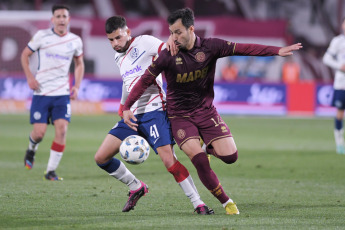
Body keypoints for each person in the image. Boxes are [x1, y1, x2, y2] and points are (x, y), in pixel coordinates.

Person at [122, 8, 302, 215]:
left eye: (178, 32)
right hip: (179, 116)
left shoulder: (211, 47)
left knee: (231, 157)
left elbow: (243, 48)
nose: (174, 37)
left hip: (206, 112)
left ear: (191, 28)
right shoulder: (167, 55)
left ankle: (207, 149)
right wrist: (127, 106)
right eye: (171, 32)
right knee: (197, 160)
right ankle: (227, 202)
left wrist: (276, 50)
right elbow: (145, 79)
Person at [94, 16, 213, 214]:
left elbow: (168, 51)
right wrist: (124, 106)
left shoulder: (145, 42)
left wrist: (171, 43)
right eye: (111, 40)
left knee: (169, 160)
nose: (115, 43)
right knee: (101, 158)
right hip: (132, 116)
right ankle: (136, 186)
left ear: (128, 32)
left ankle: (198, 203)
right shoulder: (118, 56)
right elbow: (128, 81)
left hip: (155, 111)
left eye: (118, 38)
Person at [21, 5, 85, 180]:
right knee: (39, 133)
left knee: (62, 130)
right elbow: (24, 55)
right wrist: (29, 78)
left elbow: (79, 64)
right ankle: (31, 149)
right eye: (58, 16)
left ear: (69, 19)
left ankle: (50, 171)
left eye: (64, 16)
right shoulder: (42, 36)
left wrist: (76, 85)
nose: (61, 19)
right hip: (41, 92)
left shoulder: (75, 40)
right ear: (53, 20)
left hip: (62, 93)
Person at [323, 18, 345, 155]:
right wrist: (339, 66)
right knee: (340, 112)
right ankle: (339, 143)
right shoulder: (338, 41)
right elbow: (326, 58)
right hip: (341, 83)